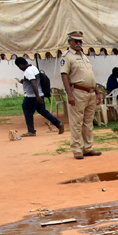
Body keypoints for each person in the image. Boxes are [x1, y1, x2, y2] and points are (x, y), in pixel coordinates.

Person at [59, 31, 100, 160]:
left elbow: (91, 76)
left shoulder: (85, 56)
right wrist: (69, 94)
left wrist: (97, 92)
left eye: (80, 41)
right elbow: (64, 76)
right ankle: (77, 149)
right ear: (70, 42)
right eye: (76, 41)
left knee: (88, 122)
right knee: (76, 122)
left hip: (90, 92)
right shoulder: (67, 57)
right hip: (78, 92)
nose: (78, 43)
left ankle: (87, 147)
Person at [14, 57, 64, 137]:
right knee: (43, 111)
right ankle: (58, 123)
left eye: (19, 66)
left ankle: (31, 131)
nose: (20, 68)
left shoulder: (28, 71)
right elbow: (33, 81)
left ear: (20, 65)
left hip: (31, 96)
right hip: (40, 94)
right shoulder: (33, 68)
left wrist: (37, 96)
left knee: (28, 112)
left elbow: (34, 83)